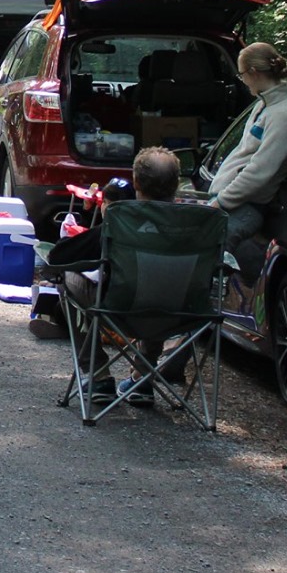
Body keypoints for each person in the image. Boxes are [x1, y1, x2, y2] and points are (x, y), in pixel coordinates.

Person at [62, 146, 208, 407]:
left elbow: (62, 256)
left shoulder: (122, 221)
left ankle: (98, 376)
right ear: (176, 184)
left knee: (69, 276)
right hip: (182, 314)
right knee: (163, 287)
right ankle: (143, 378)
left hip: (119, 311)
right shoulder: (200, 224)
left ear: (137, 182)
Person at [208, 42, 287, 261]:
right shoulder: (264, 104)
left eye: (242, 75)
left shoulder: (285, 116)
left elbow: (259, 172)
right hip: (232, 199)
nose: (242, 81)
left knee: (210, 251)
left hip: (245, 205)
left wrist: (220, 202)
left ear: (253, 72)